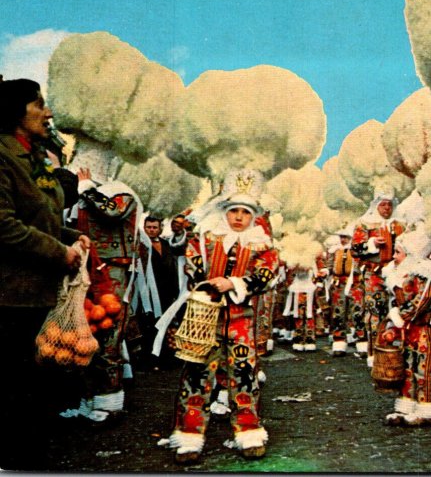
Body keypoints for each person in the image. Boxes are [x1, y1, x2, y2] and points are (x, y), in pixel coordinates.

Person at [0, 78, 90, 469]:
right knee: (16, 385)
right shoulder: (2, 157)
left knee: (36, 384)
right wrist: (60, 253)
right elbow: (4, 225)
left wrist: (73, 236)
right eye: (39, 104)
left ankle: (28, 452)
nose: (48, 112)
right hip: (11, 294)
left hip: (39, 290)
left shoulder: (31, 156)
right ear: (15, 112)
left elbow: (40, 215)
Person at [164, 168, 280, 464]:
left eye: (245, 211)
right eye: (234, 211)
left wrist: (235, 283)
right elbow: (191, 263)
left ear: (253, 215)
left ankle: (248, 431)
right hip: (205, 321)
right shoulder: (206, 239)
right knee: (197, 374)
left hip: (241, 321)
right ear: (224, 211)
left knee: (243, 374)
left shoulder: (261, 244)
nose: (239, 217)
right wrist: (204, 282)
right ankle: (189, 435)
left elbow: (266, 275)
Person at [64, 164, 140, 424]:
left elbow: (112, 211)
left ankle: (109, 401)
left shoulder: (122, 194)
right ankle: (88, 399)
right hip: (83, 273)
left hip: (113, 274)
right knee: (84, 338)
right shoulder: (82, 198)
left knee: (108, 337)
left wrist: (86, 189)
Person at [381, 226, 431, 427]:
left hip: (424, 329)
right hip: (407, 330)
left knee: (423, 370)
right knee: (406, 368)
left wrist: (401, 316)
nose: (394, 257)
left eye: (398, 252)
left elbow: (420, 302)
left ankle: (426, 409)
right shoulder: (403, 274)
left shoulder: (428, 273)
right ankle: (406, 405)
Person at [351, 190, 406, 364]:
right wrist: (372, 243)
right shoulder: (364, 223)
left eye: (389, 204)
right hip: (374, 273)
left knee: (400, 310)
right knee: (376, 311)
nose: (387, 208)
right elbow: (355, 249)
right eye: (383, 204)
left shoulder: (399, 224)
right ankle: (375, 352)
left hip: (396, 272)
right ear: (376, 205)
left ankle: (396, 350)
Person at [134, 216, 180, 369]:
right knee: (148, 325)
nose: (152, 230)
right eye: (149, 227)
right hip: (147, 292)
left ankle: (165, 358)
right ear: (144, 228)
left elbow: (173, 267)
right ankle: (149, 358)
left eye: (154, 227)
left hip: (166, 292)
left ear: (160, 228)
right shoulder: (140, 246)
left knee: (166, 325)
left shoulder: (167, 244)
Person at [328, 228, 361, 356]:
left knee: (357, 311)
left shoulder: (356, 251)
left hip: (354, 284)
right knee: (338, 313)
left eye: (346, 237)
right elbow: (329, 266)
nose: (343, 239)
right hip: (338, 284)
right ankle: (339, 341)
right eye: (341, 236)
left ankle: (361, 339)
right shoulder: (334, 250)